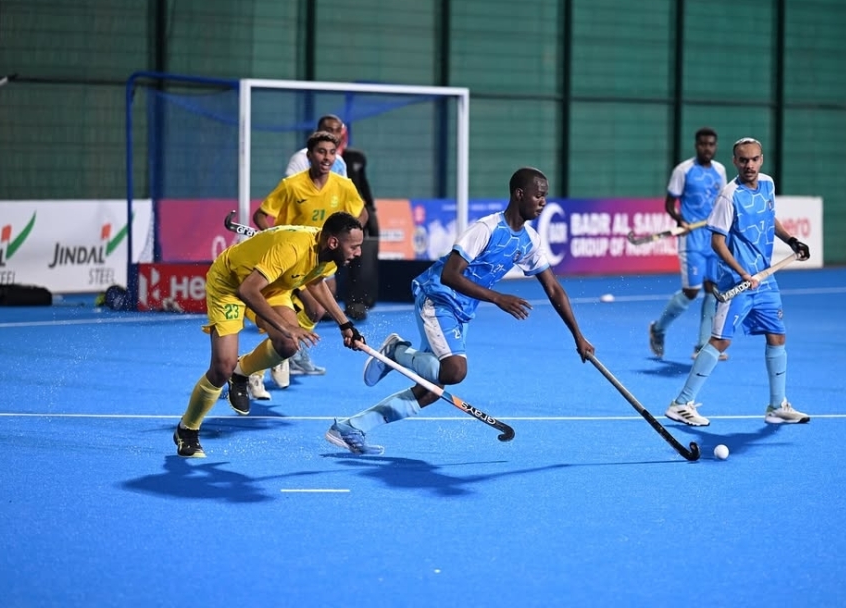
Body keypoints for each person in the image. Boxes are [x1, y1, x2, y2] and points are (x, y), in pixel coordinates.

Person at [324, 167, 595, 455]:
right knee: (454, 371)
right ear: (519, 194)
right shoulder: (486, 229)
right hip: (437, 297)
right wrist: (497, 298)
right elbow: (450, 275)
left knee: (430, 391)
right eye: (539, 195)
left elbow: (554, 289)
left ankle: (352, 428)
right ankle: (396, 352)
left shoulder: (529, 240)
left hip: (461, 311)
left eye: (545, 197)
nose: (543, 202)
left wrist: (578, 335)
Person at [173, 212, 366, 458]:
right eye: (355, 246)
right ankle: (187, 429)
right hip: (230, 284)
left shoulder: (329, 256)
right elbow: (247, 289)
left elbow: (315, 281)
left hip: (273, 286)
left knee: (288, 345)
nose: (358, 252)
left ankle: (241, 373)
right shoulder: (292, 248)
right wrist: (286, 326)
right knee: (222, 366)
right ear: (333, 242)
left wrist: (344, 324)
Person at [664, 137, 811, 428]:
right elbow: (717, 242)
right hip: (738, 282)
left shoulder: (767, 184)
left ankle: (777, 406)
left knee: (777, 336)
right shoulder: (728, 196)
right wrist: (742, 272)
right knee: (720, 340)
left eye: (754, 159)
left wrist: (792, 240)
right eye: (743, 160)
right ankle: (681, 404)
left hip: (765, 280)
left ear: (762, 159)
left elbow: (771, 219)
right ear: (735, 162)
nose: (749, 165)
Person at [246, 130, 368, 399]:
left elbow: (362, 213)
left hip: (322, 259)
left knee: (316, 311)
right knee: (311, 308)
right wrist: (269, 239)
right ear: (309, 155)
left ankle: (282, 353)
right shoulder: (291, 185)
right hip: (290, 258)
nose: (326, 158)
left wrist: (352, 239)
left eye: (331, 153)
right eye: (321, 152)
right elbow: (262, 215)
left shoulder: (343, 186)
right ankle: (269, 360)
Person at [648, 127, 728, 361]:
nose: (707, 148)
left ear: (715, 146)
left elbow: (723, 201)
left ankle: (703, 344)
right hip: (691, 238)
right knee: (691, 291)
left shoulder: (720, 170)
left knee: (713, 290)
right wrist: (679, 219)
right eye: (703, 144)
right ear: (696, 145)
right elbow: (670, 203)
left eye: (711, 144)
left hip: (713, 237)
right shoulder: (683, 171)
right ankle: (658, 329)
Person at [340, 146, 379, 321]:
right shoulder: (304, 159)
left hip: (355, 212)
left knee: (361, 255)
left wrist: (370, 210)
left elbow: (363, 184)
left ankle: (358, 302)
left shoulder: (356, 158)